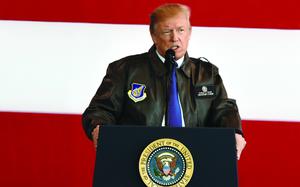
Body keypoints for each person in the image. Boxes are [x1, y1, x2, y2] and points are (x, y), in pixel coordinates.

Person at [82, 3, 246, 159]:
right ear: (153, 35)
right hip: (137, 157)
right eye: (167, 31)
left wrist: (234, 132)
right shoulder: (125, 70)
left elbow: (224, 111)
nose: (175, 38)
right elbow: (100, 110)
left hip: (196, 158)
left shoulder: (207, 73)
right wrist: (99, 127)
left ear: (189, 33)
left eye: (181, 30)